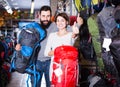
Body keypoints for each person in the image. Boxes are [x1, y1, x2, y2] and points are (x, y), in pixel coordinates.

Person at [15, 5, 83, 87]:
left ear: (51, 16)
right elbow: (26, 41)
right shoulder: (34, 28)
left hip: (50, 62)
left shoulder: (57, 25)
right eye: (43, 16)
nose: (45, 18)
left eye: (48, 16)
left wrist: (79, 24)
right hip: (36, 62)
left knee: (51, 84)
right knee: (34, 85)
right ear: (39, 16)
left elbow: (71, 30)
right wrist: (19, 47)